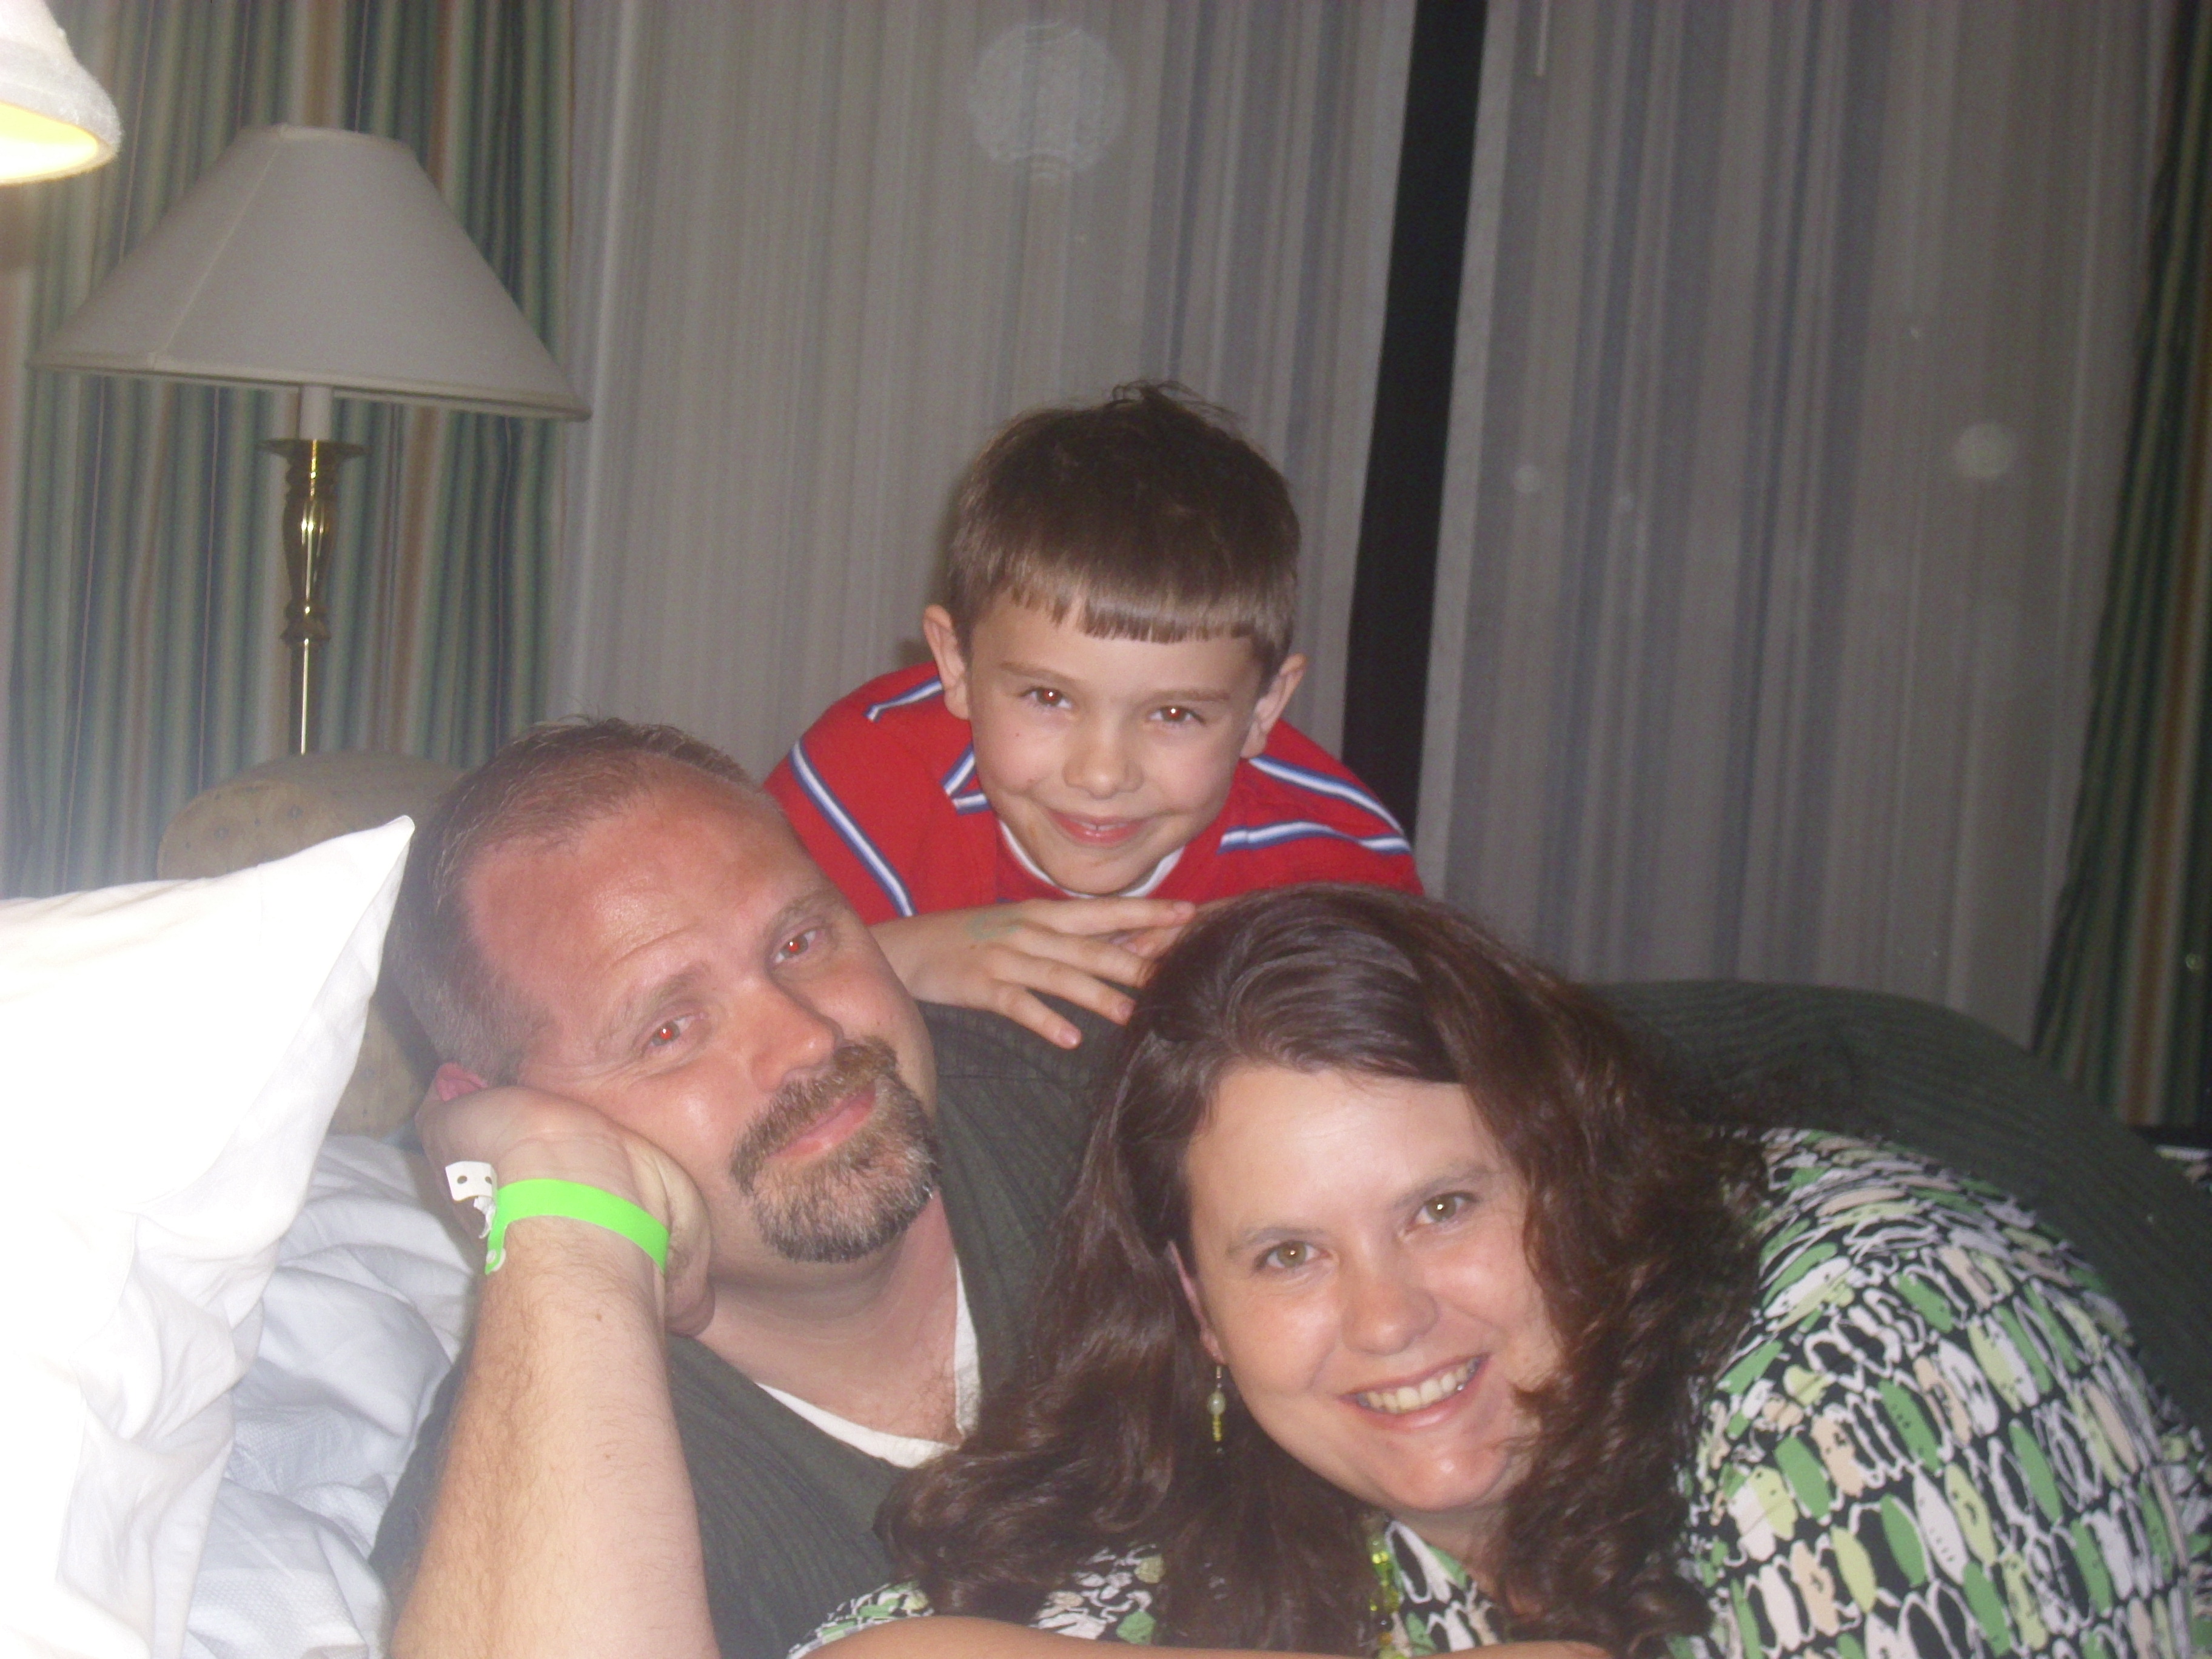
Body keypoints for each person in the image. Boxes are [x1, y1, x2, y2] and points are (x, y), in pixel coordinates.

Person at [797, 886, 2211, 1658]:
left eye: (1443, 1205)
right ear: (1198, 1310)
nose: (1387, 1318)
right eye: (1286, 1253)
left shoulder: (1882, 1331)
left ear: (1569, 1165)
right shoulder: (1279, 1489)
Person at [374, 718, 1113, 1659]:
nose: (807, 1038)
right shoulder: (542, 1457)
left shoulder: (1121, 1111)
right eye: (669, 1031)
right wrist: (555, 1182)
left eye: (801, 941)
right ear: (498, 1107)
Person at [766, 383, 1420, 1051]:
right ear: (957, 666)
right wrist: (899, 956)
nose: (1103, 775)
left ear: (1263, 709)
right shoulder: (867, 778)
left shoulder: (1339, 861)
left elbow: (1443, 1041)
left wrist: (1291, 950)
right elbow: (723, 999)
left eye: (1174, 714)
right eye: (1048, 698)